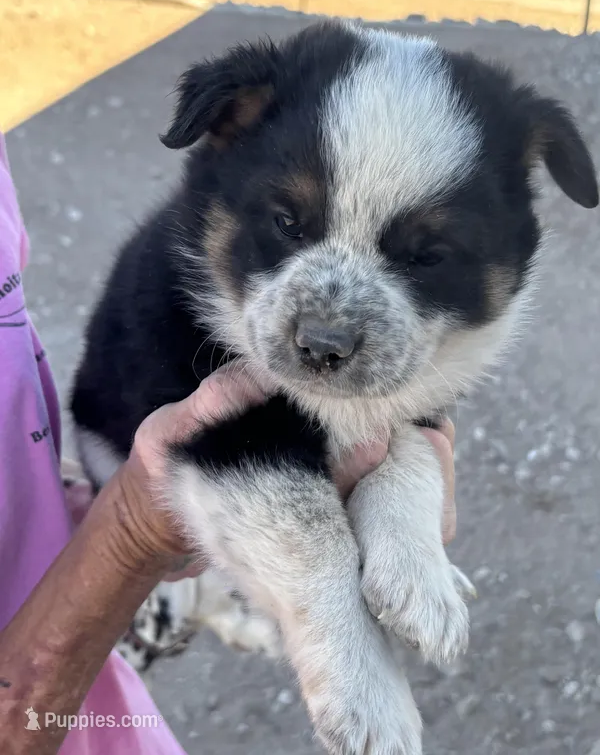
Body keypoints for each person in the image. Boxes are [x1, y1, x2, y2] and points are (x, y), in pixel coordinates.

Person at [0, 130, 457, 755]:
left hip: (74, 623)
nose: (330, 328)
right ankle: (173, 602)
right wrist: (130, 535)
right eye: (289, 223)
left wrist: (407, 479)